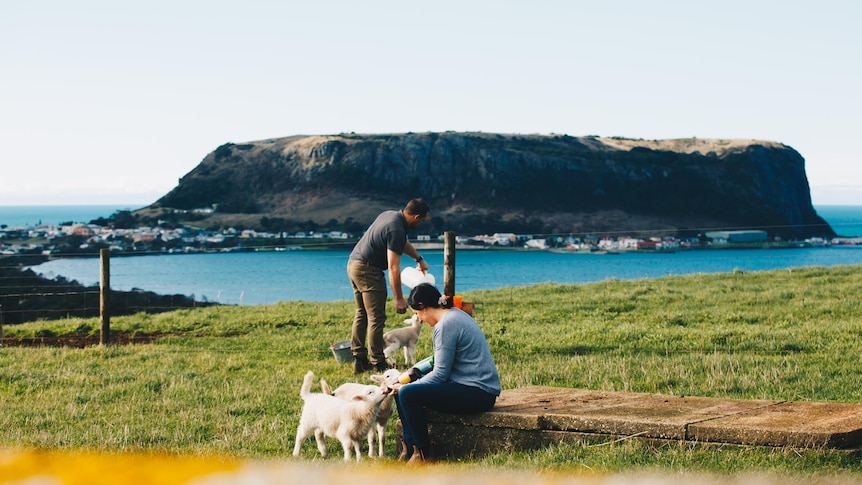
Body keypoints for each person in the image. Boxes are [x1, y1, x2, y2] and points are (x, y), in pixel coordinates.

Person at [391, 283, 501, 463]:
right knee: (403, 388)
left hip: (477, 392)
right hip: (471, 388)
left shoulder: (445, 325)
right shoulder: (454, 315)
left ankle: (424, 453)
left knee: (407, 393)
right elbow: (437, 359)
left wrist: (407, 386)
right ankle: (410, 448)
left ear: (423, 308)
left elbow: (440, 374)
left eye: (417, 314)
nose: (419, 319)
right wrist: (409, 376)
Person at [347, 198, 431, 374]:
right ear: (416, 216)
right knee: (376, 317)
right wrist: (400, 299)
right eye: (422, 220)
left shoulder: (390, 215)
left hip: (354, 265)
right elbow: (393, 268)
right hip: (369, 271)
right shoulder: (396, 228)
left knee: (362, 313)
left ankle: (359, 359)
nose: (421, 223)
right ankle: (378, 362)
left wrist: (418, 259)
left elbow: (401, 243)